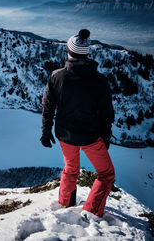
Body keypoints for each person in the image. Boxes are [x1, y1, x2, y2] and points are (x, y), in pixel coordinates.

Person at [40, 29, 115, 221]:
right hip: (91, 136)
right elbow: (107, 114)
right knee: (106, 174)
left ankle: (65, 203)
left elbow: (48, 106)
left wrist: (46, 131)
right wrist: (106, 137)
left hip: (65, 135)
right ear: (87, 54)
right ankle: (91, 211)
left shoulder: (56, 77)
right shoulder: (99, 81)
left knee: (70, 169)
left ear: (68, 51)